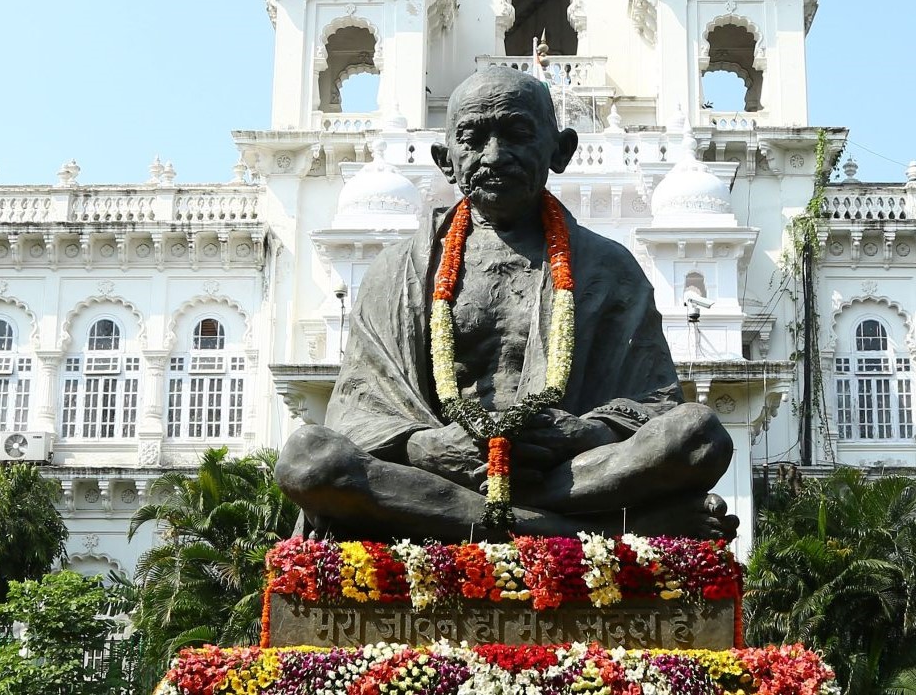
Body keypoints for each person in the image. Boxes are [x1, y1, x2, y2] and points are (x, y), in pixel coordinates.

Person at [277, 67, 736, 539]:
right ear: (446, 160)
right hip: (440, 471)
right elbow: (358, 409)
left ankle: (485, 521)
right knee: (308, 460)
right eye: (473, 139)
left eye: (517, 134)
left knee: (699, 435)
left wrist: (585, 433)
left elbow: (656, 403)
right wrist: (424, 447)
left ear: (560, 151)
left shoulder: (608, 267)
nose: (494, 156)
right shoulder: (398, 272)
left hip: (566, 470)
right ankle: (589, 531)